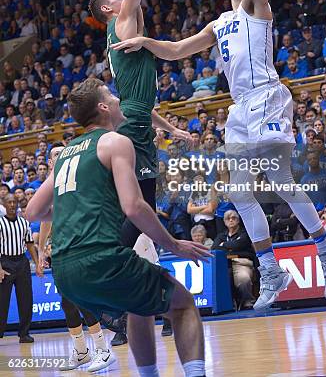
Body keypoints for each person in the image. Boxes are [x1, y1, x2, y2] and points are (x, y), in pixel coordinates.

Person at [112, 0, 326, 310]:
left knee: (278, 178)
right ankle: (272, 270)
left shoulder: (259, 6)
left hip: (269, 97)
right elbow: (178, 49)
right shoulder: (220, 24)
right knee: (239, 191)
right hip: (240, 110)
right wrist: (145, 41)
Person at [26, 78, 209, 377]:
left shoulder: (66, 154)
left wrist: (77, 206)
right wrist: (176, 245)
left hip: (65, 272)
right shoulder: (115, 142)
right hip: (101, 258)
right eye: (111, 95)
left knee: (138, 304)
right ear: (102, 107)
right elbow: (133, 207)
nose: (117, 100)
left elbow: (34, 211)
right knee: (183, 304)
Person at [89, 0, 189, 342]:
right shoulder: (123, 20)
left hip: (133, 120)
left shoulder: (127, 35)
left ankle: (115, 291)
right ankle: (105, 284)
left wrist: (172, 128)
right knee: (140, 210)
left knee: (139, 209)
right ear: (110, 9)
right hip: (131, 126)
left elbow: (139, 105)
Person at [38, 143, 114, 372]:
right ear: (50, 162)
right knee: (67, 302)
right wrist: (41, 250)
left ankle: (103, 348)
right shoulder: (51, 185)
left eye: (63, 153)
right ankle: (81, 351)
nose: (60, 157)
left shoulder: (78, 178)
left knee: (83, 298)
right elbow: (45, 218)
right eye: (55, 155)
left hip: (82, 244)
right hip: (61, 249)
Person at [0, 194, 42, 343]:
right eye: (9, 202)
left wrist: (37, 263)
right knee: (2, 302)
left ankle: (24, 333)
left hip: (22, 262)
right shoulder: (0, 223)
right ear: (4, 205)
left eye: (14, 202)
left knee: (26, 300)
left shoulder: (24, 223)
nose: (12, 205)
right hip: (4, 262)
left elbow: (30, 243)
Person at [212, 210, 256, 310]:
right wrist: (232, 247)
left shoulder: (245, 232)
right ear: (224, 222)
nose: (231, 220)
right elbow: (214, 248)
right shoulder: (221, 236)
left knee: (243, 279)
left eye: (233, 218)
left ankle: (247, 302)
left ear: (238, 220)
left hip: (242, 262)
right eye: (228, 218)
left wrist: (224, 245)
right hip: (224, 264)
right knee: (219, 281)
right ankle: (228, 305)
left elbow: (239, 244)